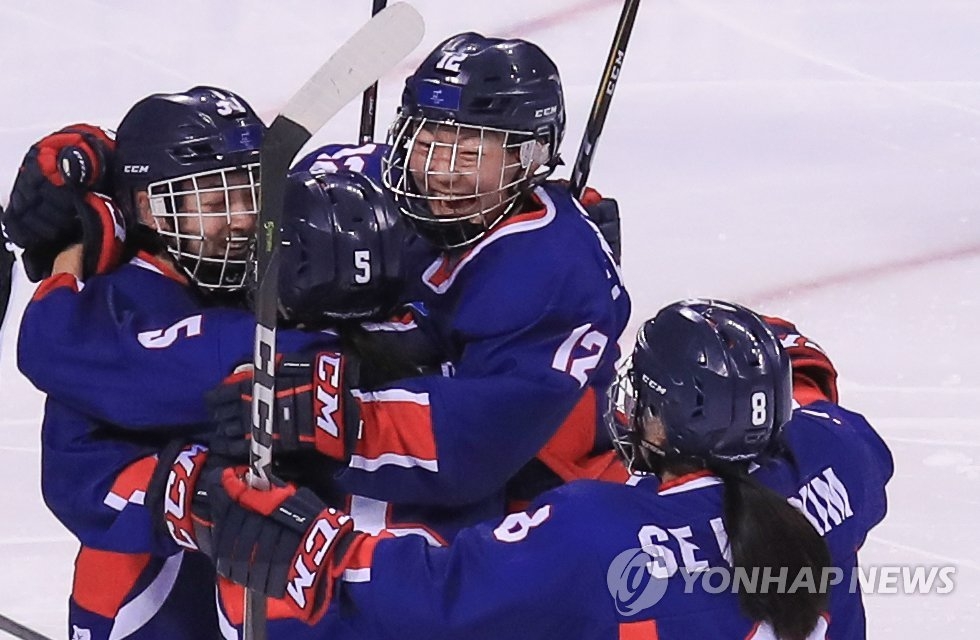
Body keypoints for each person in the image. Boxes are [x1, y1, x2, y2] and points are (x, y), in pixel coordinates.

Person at [203, 299, 893, 640]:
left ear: (666, 421)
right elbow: (811, 385)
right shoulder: (840, 460)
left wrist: (310, 543)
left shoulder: (600, 531)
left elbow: (435, 593)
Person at [0, 87, 355, 640]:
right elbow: (78, 462)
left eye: (250, 194)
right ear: (149, 209)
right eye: (215, 205)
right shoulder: (119, 307)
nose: (242, 221)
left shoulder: (266, 274)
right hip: (149, 601)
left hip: (267, 576)